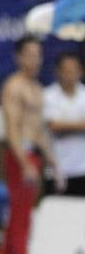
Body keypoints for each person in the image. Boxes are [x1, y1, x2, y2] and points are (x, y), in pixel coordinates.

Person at [0, 36, 62, 254]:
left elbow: (36, 132)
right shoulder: (14, 87)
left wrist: (52, 160)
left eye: (38, 54)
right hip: (20, 156)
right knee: (20, 218)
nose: (35, 60)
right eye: (29, 54)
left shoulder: (36, 87)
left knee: (24, 218)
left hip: (33, 153)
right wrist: (24, 162)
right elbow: (12, 129)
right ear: (18, 57)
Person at [44, 51, 85, 197]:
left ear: (81, 72)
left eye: (74, 70)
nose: (70, 75)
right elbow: (53, 126)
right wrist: (80, 125)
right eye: (66, 71)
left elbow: (58, 125)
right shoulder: (48, 96)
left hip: (82, 169)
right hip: (57, 171)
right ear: (57, 72)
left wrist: (64, 126)